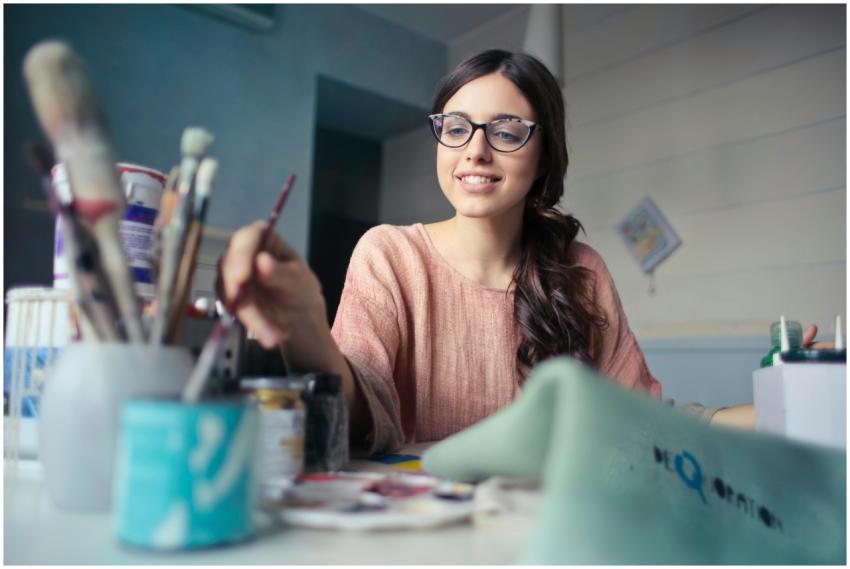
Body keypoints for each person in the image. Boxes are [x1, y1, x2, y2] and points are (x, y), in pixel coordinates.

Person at [219, 50, 825, 453]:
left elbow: (645, 424)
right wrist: (305, 328)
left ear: (543, 157)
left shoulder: (580, 271)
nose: (476, 151)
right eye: (456, 127)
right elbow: (360, 415)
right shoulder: (389, 256)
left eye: (507, 131)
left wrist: (791, 397)